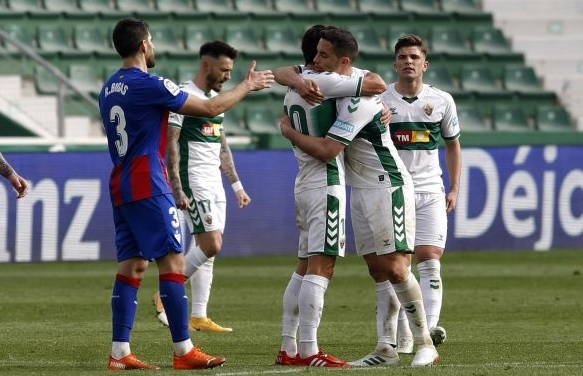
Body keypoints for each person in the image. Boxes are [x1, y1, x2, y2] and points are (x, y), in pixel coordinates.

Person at [100, 18, 273, 371]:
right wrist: (247, 86)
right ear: (144, 45)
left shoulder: (108, 87)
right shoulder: (149, 83)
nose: (152, 46)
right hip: (149, 181)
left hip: (121, 182)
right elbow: (209, 108)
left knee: (132, 266)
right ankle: (184, 350)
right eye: (150, 40)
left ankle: (120, 352)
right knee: (174, 262)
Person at [278, 27, 440, 368]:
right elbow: (292, 72)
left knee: (396, 267)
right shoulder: (335, 85)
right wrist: (293, 79)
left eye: (323, 56)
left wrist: (289, 131)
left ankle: (425, 342)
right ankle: (386, 348)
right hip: (360, 189)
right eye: (316, 53)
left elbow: (330, 149)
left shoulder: (358, 99)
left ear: (343, 62)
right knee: (377, 269)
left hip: (387, 185)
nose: (315, 61)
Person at [273, 25, 388, 368]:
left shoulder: (296, 83)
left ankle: (288, 346)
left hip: (303, 182)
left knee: (304, 266)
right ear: (315, 57)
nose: (322, 60)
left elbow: (280, 73)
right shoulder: (325, 82)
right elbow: (375, 84)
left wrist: (292, 84)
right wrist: (376, 101)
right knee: (322, 267)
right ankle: (310, 350)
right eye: (320, 54)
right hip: (326, 183)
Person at [350, 34, 461, 366]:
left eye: (414, 56)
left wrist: (454, 188)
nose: (408, 61)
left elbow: (454, 145)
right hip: (392, 190)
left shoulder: (442, 101)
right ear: (395, 64)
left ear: (424, 64)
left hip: (429, 190)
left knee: (429, 257)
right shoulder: (380, 101)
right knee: (394, 267)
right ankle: (401, 339)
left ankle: (427, 329)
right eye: (402, 57)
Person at [152, 40, 251, 333]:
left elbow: (222, 146)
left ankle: (198, 315)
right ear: (206, 65)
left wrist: (237, 186)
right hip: (194, 181)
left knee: (207, 249)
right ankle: (165, 293)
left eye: (231, 71)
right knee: (211, 244)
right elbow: (171, 144)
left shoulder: (214, 101)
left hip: (215, 184)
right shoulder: (184, 96)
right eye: (224, 69)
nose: (228, 76)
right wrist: (178, 188)